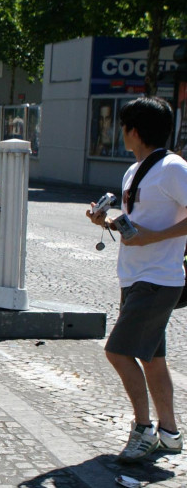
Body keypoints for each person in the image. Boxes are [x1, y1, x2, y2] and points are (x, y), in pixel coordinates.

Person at [86, 96, 187, 462]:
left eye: (124, 126)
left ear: (135, 130)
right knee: (152, 359)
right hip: (134, 276)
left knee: (117, 350)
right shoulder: (135, 170)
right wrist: (106, 221)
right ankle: (171, 434)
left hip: (158, 278)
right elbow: (135, 226)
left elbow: (151, 230)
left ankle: (143, 429)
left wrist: (150, 238)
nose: (121, 133)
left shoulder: (173, 167)